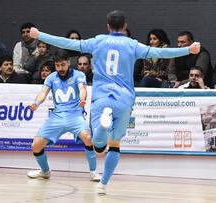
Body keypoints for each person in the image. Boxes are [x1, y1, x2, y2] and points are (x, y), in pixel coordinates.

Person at [29, 10, 200, 195]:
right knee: (115, 145)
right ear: (125, 27)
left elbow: (68, 43)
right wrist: (187, 50)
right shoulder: (132, 44)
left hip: (102, 97)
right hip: (124, 98)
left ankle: (103, 127)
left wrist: (40, 35)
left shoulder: (98, 41)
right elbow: (162, 52)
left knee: (98, 146)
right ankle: (103, 184)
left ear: (108, 26)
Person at [26, 49, 101, 182]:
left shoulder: (79, 75)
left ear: (68, 63)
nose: (60, 68)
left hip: (75, 115)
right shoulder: (51, 77)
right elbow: (43, 93)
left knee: (88, 138)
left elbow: (83, 89)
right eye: (57, 65)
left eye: (62, 65)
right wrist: (36, 103)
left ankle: (94, 172)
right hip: (57, 117)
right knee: (36, 145)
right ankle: (45, 172)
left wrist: (83, 99)